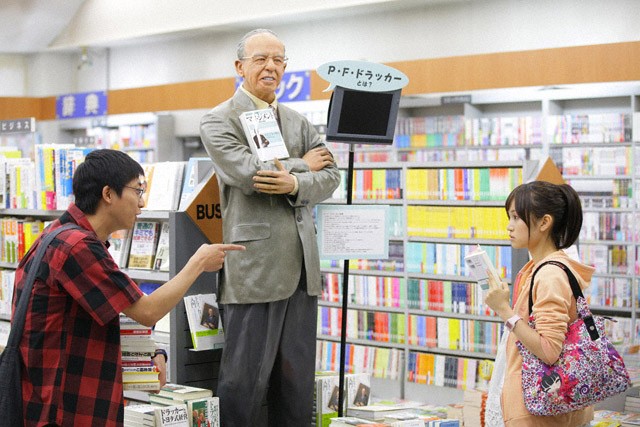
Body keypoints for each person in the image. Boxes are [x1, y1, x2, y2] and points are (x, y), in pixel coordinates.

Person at [13, 149, 245, 426]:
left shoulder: (62, 235)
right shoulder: (77, 247)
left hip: (62, 400)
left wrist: (151, 352)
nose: (142, 202)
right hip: (66, 408)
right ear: (108, 194)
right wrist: (197, 262)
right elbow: (147, 312)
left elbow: (111, 310)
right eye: (137, 190)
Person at [200, 28, 340, 426]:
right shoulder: (218, 120)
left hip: (302, 269)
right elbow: (250, 175)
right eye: (261, 59)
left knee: (297, 386)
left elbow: (331, 176)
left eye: (278, 60)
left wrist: (295, 181)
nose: (271, 67)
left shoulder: (297, 121)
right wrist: (303, 166)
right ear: (239, 66)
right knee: (243, 383)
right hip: (254, 268)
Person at [483, 181, 594, 427]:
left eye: (516, 217)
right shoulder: (540, 268)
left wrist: (504, 310)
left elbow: (548, 349)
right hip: (549, 409)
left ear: (544, 223)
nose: (509, 226)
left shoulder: (549, 274)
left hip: (543, 414)